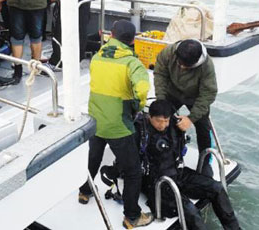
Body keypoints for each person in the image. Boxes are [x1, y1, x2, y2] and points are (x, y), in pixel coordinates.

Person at [78, 20, 153, 228]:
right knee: (133, 171)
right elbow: (143, 87)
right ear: (132, 40)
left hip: (95, 120)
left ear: (111, 35)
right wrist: (138, 105)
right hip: (118, 125)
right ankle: (132, 216)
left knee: (93, 159)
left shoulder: (96, 57)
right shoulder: (131, 63)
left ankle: (84, 192)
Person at [136, 99, 240, 230]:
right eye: (158, 121)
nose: (162, 125)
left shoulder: (174, 126)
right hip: (158, 183)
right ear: (149, 117)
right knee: (191, 212)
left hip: (178, 173)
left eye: (166, 121)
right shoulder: (140, 132)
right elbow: (127, 162)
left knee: (217, 188)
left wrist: (188, 121)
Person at [154, 39, 218, 177]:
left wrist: (191, 118)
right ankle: (161, 153)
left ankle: (205, 161)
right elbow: (160, 73)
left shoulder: (206, 66)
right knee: (162, 118)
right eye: (180, 64)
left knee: (203, 127)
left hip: (195, 96)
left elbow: (209, 93)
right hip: (172, 91)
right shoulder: (168, 52)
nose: (182, 68)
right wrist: (161, 100)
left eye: (187, 67)